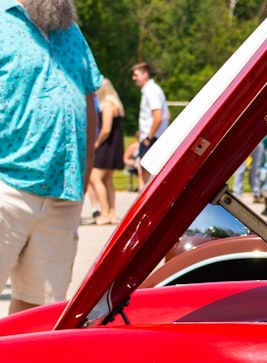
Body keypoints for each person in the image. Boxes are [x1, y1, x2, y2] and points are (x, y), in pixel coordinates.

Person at [0, 0, 103, 315]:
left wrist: (85, 174)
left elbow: (88, 98)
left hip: (63, 194)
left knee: (39, 311)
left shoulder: (71, 32)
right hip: (7, 184)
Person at [90, 78, 126, 225]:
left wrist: (96, 144)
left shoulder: (108, 105)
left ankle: (105, 212)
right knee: (108, 180)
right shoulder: (117, 104)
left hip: (107, 145)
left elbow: (106, 129)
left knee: (95, 178)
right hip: (115, 144)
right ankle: (111, 213)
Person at [131, 61, 170, 190]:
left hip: (152, 139)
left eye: (136, 75)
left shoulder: (151, 91)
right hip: (153, 136)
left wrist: (149, 137)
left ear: (145, 74)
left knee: (148, 174)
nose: (134, 78)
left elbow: (158, 116)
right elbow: (166, 114)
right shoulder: (151, 90)